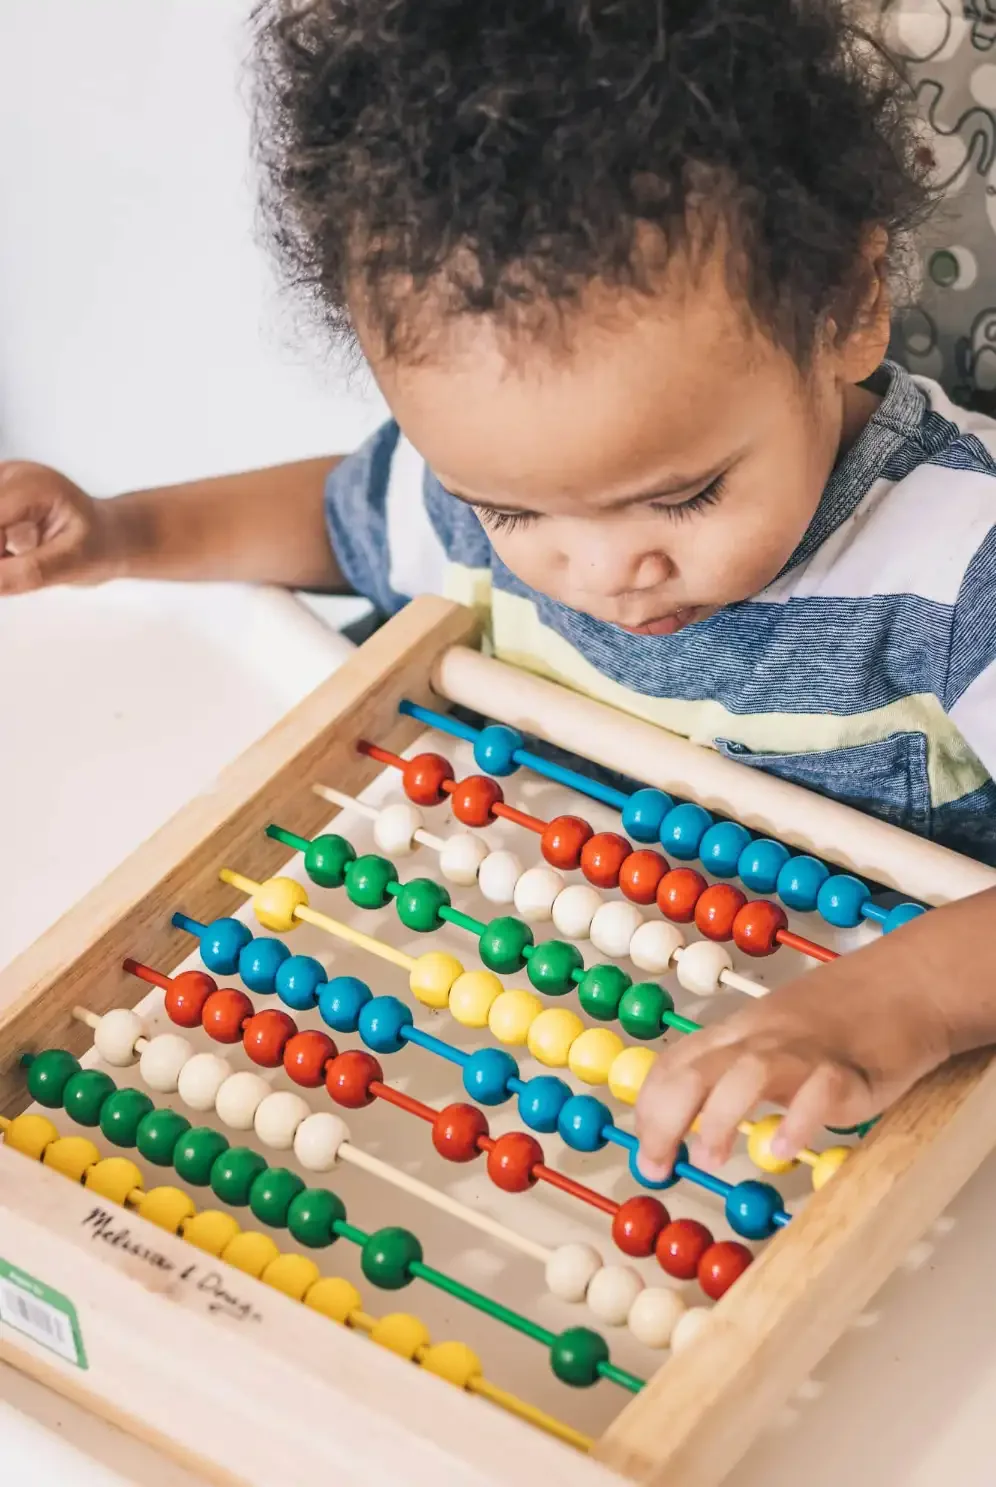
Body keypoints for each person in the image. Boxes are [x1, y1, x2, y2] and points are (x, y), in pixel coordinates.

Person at [1, 0, 995, 1183]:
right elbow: (342, 515)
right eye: (513, 512)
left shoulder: (959, 573)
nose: (597, 570)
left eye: (683, 497)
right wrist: (121, 532)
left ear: (849, 307)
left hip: (850, 1113)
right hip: (547, 1054)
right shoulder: (472, 490)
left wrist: (905, 1001)